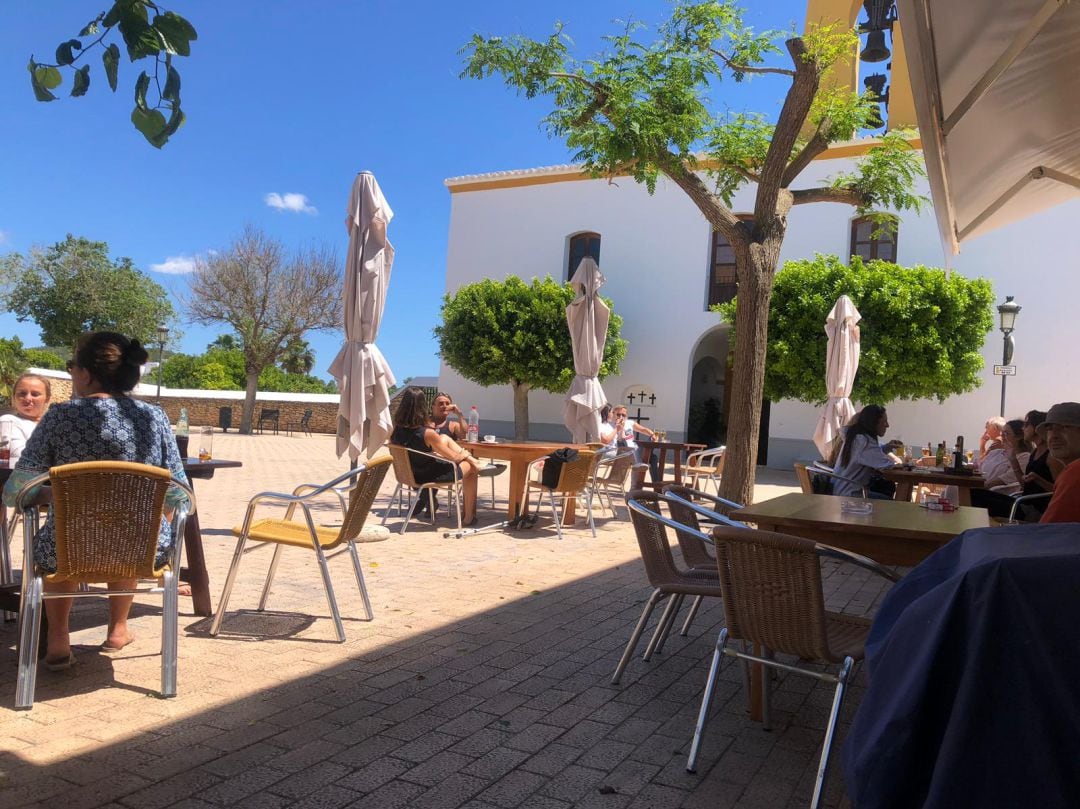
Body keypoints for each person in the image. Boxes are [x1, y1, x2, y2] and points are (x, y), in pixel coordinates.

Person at [1, 332, 189, 670]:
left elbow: (16, 490)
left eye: (72, 367)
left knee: (66, 535)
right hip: (142, 548)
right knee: (128, 527)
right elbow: (179, 492)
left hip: (69, 548)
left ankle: (58, 636)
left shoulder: (59, 416)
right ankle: (118, 630)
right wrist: (161, 526)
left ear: (86, 374)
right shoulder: (154, 418)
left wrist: (59, 492)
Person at [390, 386, 480, 526]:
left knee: (444, 437)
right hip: (427, 477)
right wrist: (465, 454)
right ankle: (469, 517)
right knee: (471, 468)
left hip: (409, 474)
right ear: (423, 407)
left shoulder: (395, 431)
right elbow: (455, 458)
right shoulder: (428, 433)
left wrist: (431, 453)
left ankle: (475, 463)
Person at [831, 404, 902, 499]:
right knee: (890, 503)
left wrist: (886, 448)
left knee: (887, 489)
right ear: (874, 422)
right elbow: (887, 465)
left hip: (842, 490)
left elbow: (866, 456)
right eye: (884, 421)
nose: (887, 425)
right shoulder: (863, 442)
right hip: (850, 495)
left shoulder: (856, 437)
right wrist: (907, 467)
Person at [1039, 402, 1080, 523]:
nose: (1054, 435)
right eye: (1050, 429)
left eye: (1064, 427)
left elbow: (1049, 532)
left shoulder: (1075, 472)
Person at [0, 373, 52, 465]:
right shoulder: (9, 421)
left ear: (47, 399)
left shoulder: (52, 425)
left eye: (35, 394)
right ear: (14, 397)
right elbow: (18, 455)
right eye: (22, 393)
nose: (28, 398)